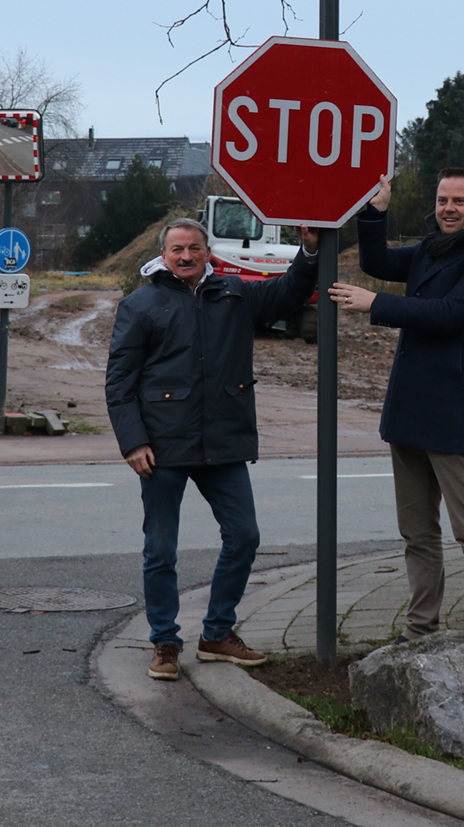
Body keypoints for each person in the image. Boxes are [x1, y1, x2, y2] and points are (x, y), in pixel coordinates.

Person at [108, 215, 320, 680]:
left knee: (245, 536)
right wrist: (133, 441)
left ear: (208, 253)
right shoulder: (140, 305)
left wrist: (309, 253)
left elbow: (288, 293)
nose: (185, 257)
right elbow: (119, 381)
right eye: (176, 250)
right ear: (162, 255)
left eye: (194, 249)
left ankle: (217, 633)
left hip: (223, 441)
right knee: (160, 549)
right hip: (161, 447)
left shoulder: (235, 294)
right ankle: (165, 643)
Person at [327, 167, 464, 638]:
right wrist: (376, 212)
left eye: (458, 201)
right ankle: (419, 629)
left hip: (456, 414)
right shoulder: (433, 249)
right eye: (442, 200)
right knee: (417, 534)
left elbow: (449, 315)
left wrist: (375, 304)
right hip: (409, 412)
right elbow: (377, 262)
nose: (448, 209)